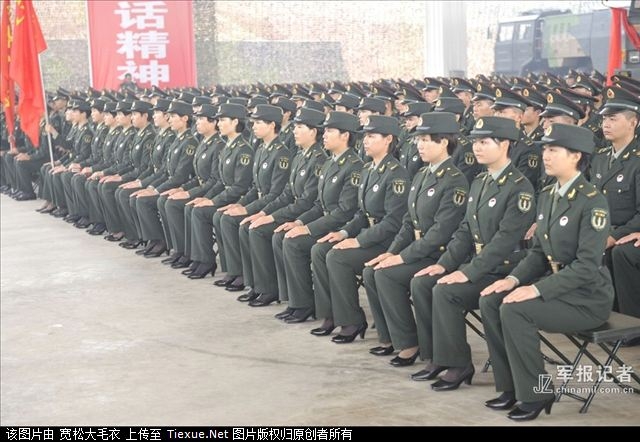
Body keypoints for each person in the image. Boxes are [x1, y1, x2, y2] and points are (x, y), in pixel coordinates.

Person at [479, 123, 612, 421]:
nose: (546, 156)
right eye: (544, 149)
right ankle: (511, 385)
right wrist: (512, 279)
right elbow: (538, 253)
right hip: (558, 288)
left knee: (516, 311)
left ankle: (536, 393)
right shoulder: (549, 194)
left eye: (553, 150)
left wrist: (535, 289)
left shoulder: (592, 202)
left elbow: (587, 266)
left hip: (587, 298)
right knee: (491, 300)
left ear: (576, 156)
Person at [410, 116, 535, 388]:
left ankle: (461, 366)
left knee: (446, 292)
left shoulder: (519, 187)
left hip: (506, 269)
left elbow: (504, 241)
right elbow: (465, 230)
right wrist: (444, 264)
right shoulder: (480, 181)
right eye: (476, 141)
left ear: (505, 144)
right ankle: (444, 358)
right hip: (482, 266)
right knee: (426, 282)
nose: (476, 147)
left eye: (484, 142)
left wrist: (467, 273)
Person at [362, 112, 469, 366]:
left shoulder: (454, 181)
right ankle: (399, 339)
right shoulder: (422, 174)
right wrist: (392, 252)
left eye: (426, 140)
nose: (419, 145)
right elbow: (409, 222)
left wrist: (402, 257)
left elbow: (440, 233)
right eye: (418, 139)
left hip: (440, 255)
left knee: (393, 276)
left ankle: (423, 349)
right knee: (374, 271)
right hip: (420, 250)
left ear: (444, 143)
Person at [310, 116, 409, 341]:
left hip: (388, 242)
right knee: (321, 249)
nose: (365, 141)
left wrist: (358, 241)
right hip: (370, 235)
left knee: (337, 257)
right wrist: (343, 233)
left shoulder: (396, 173)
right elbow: (362, 215)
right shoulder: (368, 169)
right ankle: (332, 314)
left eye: (372, 136)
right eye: (365, 136)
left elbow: (393, 222)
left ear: (388, 139)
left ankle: (352, 320)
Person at [276, 111, 363, 322]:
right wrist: (299, 222)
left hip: (344, 227)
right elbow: (318, 205)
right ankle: (301, 303)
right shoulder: (330, 162)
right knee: (288, 237)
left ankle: (328, 312)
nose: (324, 135)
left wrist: (308, 228)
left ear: (345, 136)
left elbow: (345, 211)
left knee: (314, 248)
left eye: (330, 131)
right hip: (328, 224)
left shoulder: (354, 166)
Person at [239, 107, 327, 307]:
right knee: (251, 226)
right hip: (296, 212)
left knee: (268, 233)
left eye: (300, 127)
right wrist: (263, 213)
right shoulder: (300, 156)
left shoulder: (319, 160)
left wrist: (275, 218)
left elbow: (307, 202)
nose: (294, 131)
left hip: (309, 216)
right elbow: (287, 194)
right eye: (294, 127)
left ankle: (284, 294)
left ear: (313, 131)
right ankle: (263, 287)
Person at [217, 105, 292, 288]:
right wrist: (241, 205)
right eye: (254, 123)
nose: (254, 127)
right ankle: (243, 275)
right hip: (262, 203)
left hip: (273, 207)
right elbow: (255, 188)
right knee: (227, 216)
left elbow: (276, 194)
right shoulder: (261, 149)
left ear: (272, 125)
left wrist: (250, 210)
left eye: (259, 123)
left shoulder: (281, 154)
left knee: (244, 225)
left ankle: (262, 283)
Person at [589, 87, 640, 308]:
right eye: (604, 119)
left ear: (633, 122)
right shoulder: (600, 158)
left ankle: (630, 319)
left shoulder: (637, 160)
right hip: (602, 229)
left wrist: (613, 235)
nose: (606, 124)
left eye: (613, 119)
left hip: (626, 232)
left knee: (620, 252)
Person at [160, 104, 225, 269]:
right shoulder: (204, 143)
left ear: (213, 122)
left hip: (215, 193)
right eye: (197, 119)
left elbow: (215, 180)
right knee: (172, 201)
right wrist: (183, 189)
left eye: (201, 119)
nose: (197, 122)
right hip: (205, 190)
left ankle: (202, 258)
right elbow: (198, 178)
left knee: (185, 206)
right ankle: (185, 252)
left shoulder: (218, 145)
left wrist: (193, 195)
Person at [132, 100, 197, 257]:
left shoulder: (189, 142)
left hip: (182, 187)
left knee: (159, 202)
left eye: (173, 116)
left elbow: (180, 176)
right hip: (170, 185)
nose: (169, 119)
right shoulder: (177, 139)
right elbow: (164, 172)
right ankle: (157, 240)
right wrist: (151, 187)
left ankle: (175, 247)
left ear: (185, 118)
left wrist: (156, 190)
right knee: (140, 198)